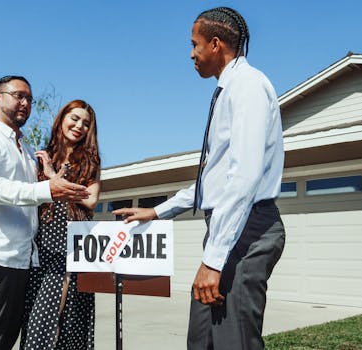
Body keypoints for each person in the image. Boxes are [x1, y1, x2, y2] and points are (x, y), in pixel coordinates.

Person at [113, 7, 285, 349]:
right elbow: (216, 178)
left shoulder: (247, 86)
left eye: (195, 44)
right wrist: (158, 211)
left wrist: (212, 260)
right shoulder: (229, 88)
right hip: (231, 230)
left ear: (216, 44)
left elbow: (243, 178)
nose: (191, 54)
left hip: (247, 231)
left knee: (232, 342)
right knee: (203, 340)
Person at [0, 76, 90, 350]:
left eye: (29, 99)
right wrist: (47, 190)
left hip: (22, 263)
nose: (25, 103)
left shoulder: (28, 152)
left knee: (4, 343)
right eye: (18, 96)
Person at [20, 100, 101, 349]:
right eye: (74, 119)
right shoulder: (42, 154)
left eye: (86, 123)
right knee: (35, 317)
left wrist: (53, 177)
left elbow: (91, 200)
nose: (79, 126)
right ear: (62, 119)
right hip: (41, 242)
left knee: (64, 319)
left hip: (72, 243)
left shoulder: (90, 160)